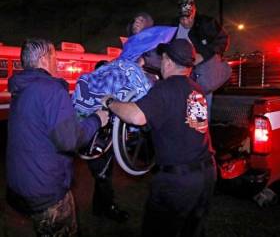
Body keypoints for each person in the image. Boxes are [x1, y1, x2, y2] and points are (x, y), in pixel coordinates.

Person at [102, 39, 217, 237]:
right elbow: (182, 123)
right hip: (206, 174)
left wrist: (111, 102)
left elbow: (137, 116)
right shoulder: (196, 89)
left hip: (178, 181)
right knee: (193, 230)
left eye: (162, 58)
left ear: (169, 61)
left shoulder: (165, 88)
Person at [6, 38, 109, 237]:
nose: (57, 63)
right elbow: (69, 140)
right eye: (55, 57)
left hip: (22, 183)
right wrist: (97, 120)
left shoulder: (22, 89)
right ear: (45, 59)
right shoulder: (50, 89)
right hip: (46, 189)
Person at [82, 60, 130, 223]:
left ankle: (98, 208)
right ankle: (109, 208)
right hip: (93, 146)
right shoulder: (88, 96)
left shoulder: (110, 96)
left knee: (103, 176)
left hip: (105, 144)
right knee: (103, 178)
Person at [175, 0, 232, 121]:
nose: (185, 21)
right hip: (180, 75)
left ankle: (201, 136)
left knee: (201, 111)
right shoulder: (173, 27)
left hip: (201, 74)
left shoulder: (206, 23)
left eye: (189, 17)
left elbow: (223, 40)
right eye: (182, 18)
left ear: (194, 12)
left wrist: (203, 55)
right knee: (181, 109)